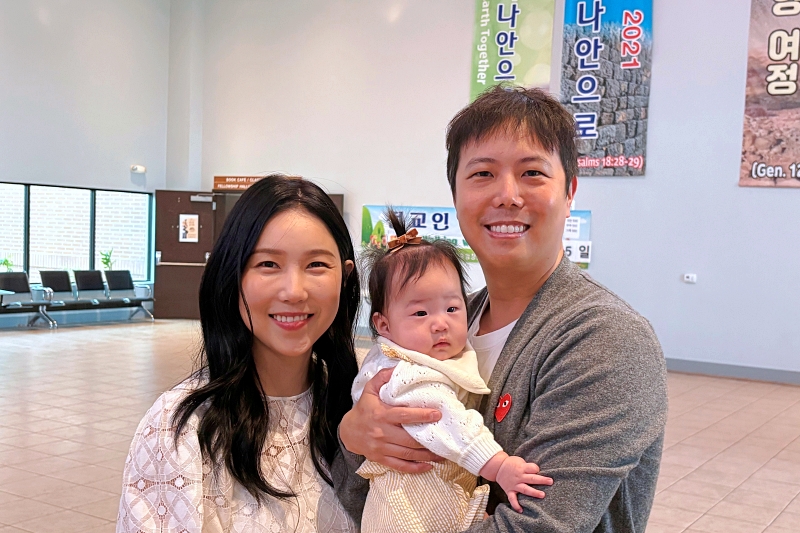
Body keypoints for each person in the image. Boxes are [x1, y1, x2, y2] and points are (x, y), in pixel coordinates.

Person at [334, 86, 668, 532]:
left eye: (532, 173)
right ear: (456, 195)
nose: (507, 195)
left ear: (569, 191)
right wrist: (353, 437)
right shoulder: (452, 323)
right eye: (483, 174)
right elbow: (354, 498)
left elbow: (539, 525)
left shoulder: (605, 340)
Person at [118, 175, 361, 533]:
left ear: (345, 276)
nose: (294, 291)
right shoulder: (181, 428)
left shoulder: (361, 408)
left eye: (316, 265)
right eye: (268, 264)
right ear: (232, 276)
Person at [352, 210, 553, 532]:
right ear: (384, 325)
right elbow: (448, 419)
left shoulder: (420, 353)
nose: (440, 323)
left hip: (430, 497)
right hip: (407, 508)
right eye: (420, 313)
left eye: (452, 308)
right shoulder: (406, 373)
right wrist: (499, 466)